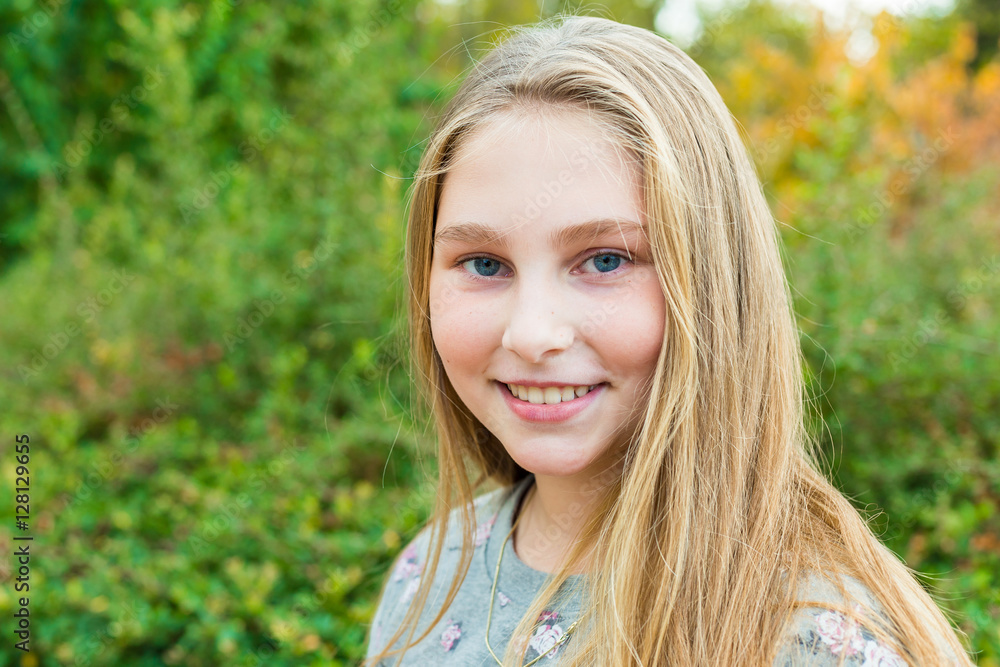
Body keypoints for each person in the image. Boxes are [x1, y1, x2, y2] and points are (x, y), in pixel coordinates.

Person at [364, 15, 974, 666]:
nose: (532, 332)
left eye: (604, 260)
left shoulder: (809, 641)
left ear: (714, 282)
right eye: (485, 264)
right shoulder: (430, 572)